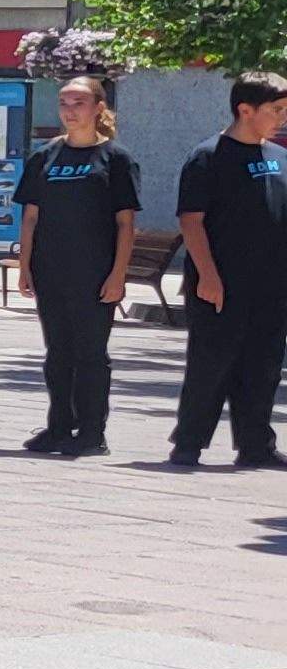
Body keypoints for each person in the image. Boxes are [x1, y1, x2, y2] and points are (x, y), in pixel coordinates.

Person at [14, 76, 141, 457]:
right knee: (58, 353)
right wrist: (25, 266)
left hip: (96, 273)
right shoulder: (44, 157)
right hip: (51, 270)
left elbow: (125, 224)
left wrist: (118, 275)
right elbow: (31, 217)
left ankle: (91, 432)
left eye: (79, 103)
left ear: (99, 108)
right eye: (64, 103)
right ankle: (58, 428)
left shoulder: (116, 159)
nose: (70, 111)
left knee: (90, 354)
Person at [170, 70, 287, 470]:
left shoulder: (279, 158)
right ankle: (189, 443)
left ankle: (256, 445)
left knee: (264, 366)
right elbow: (191, 221)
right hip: (220, 283)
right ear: (245, 110)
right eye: (276, 109)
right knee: (211, 364)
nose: (282, 118)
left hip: (271, 285)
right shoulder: (208, 157)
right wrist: (208, 275)